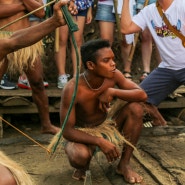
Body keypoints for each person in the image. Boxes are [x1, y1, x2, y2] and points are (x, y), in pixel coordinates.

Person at [49, 39, 147, 183]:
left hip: (107, 124)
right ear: (91, 65)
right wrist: (99, 141)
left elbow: (142, 95)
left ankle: (124, 165)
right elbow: (67, 131)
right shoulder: (72, 89)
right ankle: (83, 166)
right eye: (106, 60)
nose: (113, 64)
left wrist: (113, 91)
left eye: (113, 59)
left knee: (136, 108)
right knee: (79, 157)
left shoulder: (114, 75)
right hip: (81, 132)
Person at [0, 1, 77, 184]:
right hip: (5, 32)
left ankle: (46, 124)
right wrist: (21, 5)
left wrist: (54, 21)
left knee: (37, 83)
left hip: (22, 34)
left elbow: (15, 39)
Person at [121, 0, 183, 125]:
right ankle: (160, 122)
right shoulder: (149, 11)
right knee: (137, 98)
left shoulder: (181, 5)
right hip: (167, 69)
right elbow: (126, 29)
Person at [55, 0, 93, 88]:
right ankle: (61, 75)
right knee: (61, 40)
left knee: (77, 41)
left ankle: (77, 75)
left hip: (81, 5)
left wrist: (89, 9)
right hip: (63, 5)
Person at [94, 0, 136, 80]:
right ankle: (106, 71)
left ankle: (127, 70)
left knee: (126, 39)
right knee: (106, 42)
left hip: (125, 3)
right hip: (106, 3)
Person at [136, 0, 161, 82]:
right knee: (145, 36)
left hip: (160, 2)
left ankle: (162, 68)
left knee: (160, 35)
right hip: (143, 1)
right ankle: (146, 71)